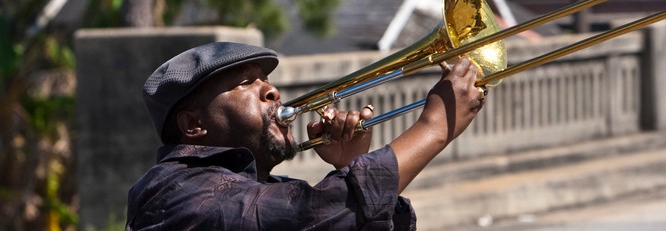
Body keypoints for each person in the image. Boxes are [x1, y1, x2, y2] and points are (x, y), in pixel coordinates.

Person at [126, 42, 486, 230]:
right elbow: (310, 213)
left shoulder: (264, 186)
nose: (272, 91)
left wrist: (351, 167)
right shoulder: (177, 192)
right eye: (246, 83)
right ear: (193, 126)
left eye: (267, 81)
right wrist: (435, 128)